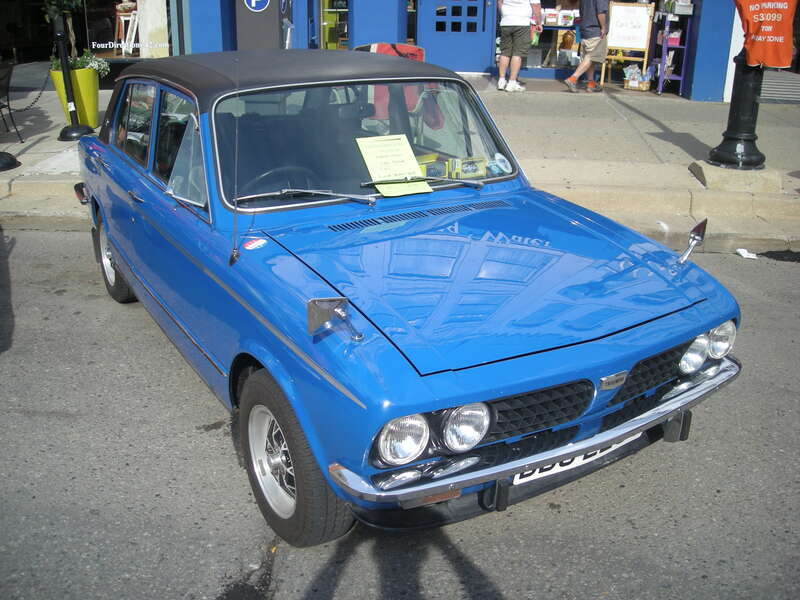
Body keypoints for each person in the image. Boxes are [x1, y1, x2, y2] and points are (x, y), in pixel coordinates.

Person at [563, 0, 609, 93]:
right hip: (595, 29)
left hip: (585, 28)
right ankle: (573, 78)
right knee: (591, 57)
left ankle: (591, 83)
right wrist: (603, 27)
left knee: (589, 58)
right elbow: (600, 12)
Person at [497, 0, 543, 92]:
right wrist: (539, 23)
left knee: (505, 52)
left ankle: (501, 81)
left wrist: (505, 14)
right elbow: (536, 5)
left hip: (506, 21)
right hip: (522, 22)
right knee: (517, 53)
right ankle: (512, 82)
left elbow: (499, 2)